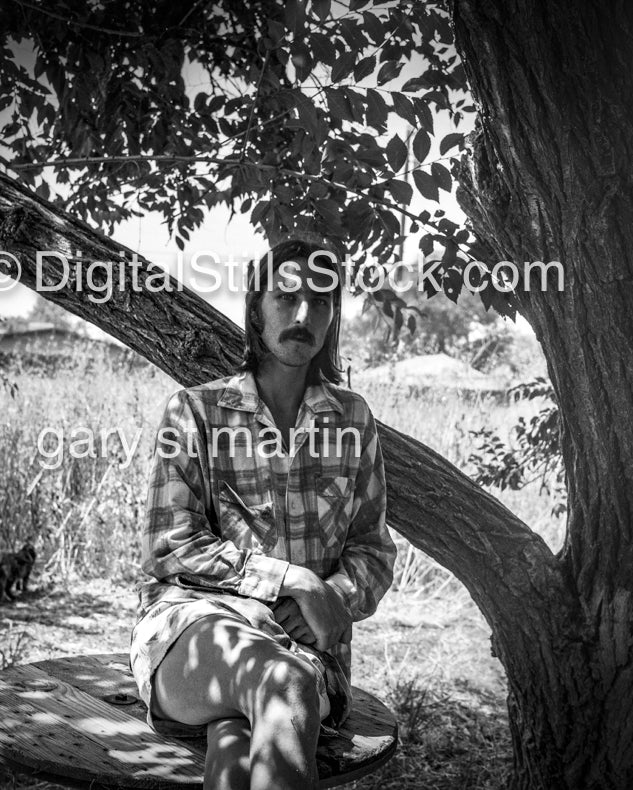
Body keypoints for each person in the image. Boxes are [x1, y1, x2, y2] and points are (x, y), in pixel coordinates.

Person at [130, 239, 396, 790]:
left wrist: (333, 599)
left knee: (234, 745)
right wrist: (294, 580)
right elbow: (170, 542)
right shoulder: (196, 411)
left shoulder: (352, 419)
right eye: (286, 296)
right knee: (282, 683)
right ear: (255, 306)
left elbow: (372, 550)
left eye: (321, 301)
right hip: (193, 633)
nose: (304, 315)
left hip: (308, 647)